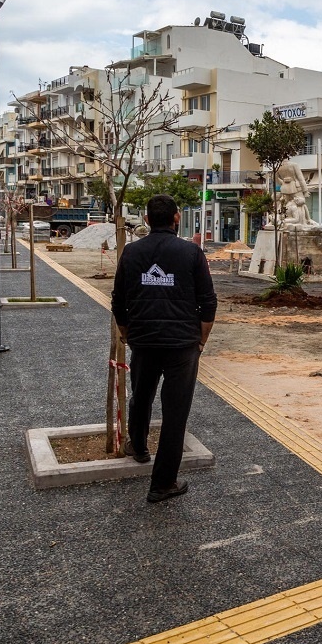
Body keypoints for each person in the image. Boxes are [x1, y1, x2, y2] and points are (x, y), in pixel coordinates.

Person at [112, 194, 217, 503]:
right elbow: (208, 302)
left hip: (143, 341)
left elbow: (119, 300)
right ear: (176, 218)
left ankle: (139, 447)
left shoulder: (131, 252)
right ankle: (163, 483)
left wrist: (128, 334)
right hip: (182, 345)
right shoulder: (191, 252)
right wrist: (201, 340)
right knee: (175, 412)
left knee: (141, 396)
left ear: (146, 220)